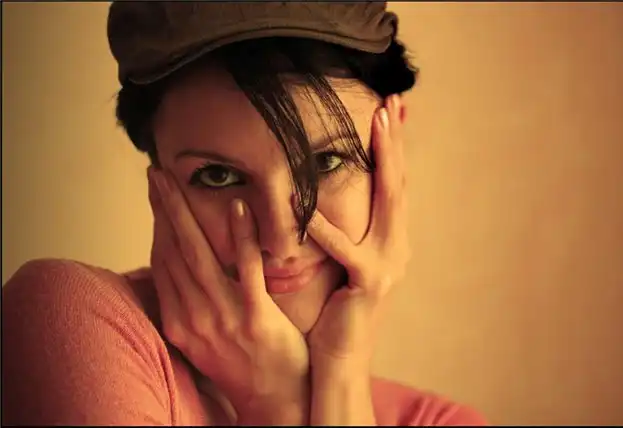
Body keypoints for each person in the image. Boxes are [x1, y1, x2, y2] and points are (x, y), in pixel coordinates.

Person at [2, 2, 487, 426]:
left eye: (326, 162)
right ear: (159, 176)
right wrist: (275, 404)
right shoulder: (73, 327)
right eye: (218, 175)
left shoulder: (440, 422)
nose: (280, 238)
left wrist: (341, 372)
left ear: (391, 147)